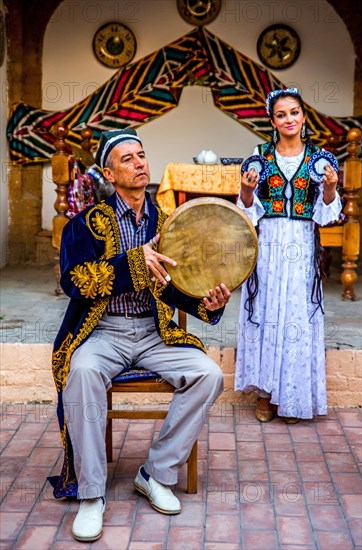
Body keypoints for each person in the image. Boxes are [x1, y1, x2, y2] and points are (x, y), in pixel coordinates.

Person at [49, 129, 231, 542]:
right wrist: (133, 262)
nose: (139, 163)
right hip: (102, 333)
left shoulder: (170, 225)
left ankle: (156, 472)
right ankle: (92, 494)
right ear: (109, 175)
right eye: (127, 159)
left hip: (154, 333)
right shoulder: (86, 225)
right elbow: (75, 282)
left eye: (142, 156)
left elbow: (179, 286)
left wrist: (209, 303)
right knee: (81, 373)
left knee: (209, 374)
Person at [235, 88, 341, 424]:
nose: (289, 119)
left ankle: (293, 396)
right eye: (281, 115)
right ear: (273, 121)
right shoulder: (260, 155)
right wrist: (248, 192)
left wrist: (329, 188)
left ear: (304, 116)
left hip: (301, 242)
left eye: (294, 112)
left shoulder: (319, 159)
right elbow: (248, 211)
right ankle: (266, 394)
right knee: (267, 309)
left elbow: (325, 214)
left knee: (296, 314)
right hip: (269, 242)